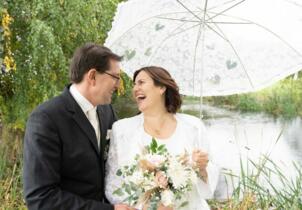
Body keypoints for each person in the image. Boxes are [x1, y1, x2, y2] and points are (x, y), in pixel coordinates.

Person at [23, 43, 134, 210]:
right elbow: (41, 198)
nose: (118, 85)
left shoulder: (106, 111)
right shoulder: (46, 119)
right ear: (92, 76)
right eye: (115, 77)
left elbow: (121, 156)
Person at [105, 66, 219, 210]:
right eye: (134, 84)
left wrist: (203, 168)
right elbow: (113, 183)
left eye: (141, 82)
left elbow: (210, 182)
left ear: (161, 88)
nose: (135, 89)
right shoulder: (121, 129)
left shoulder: (194, 126)